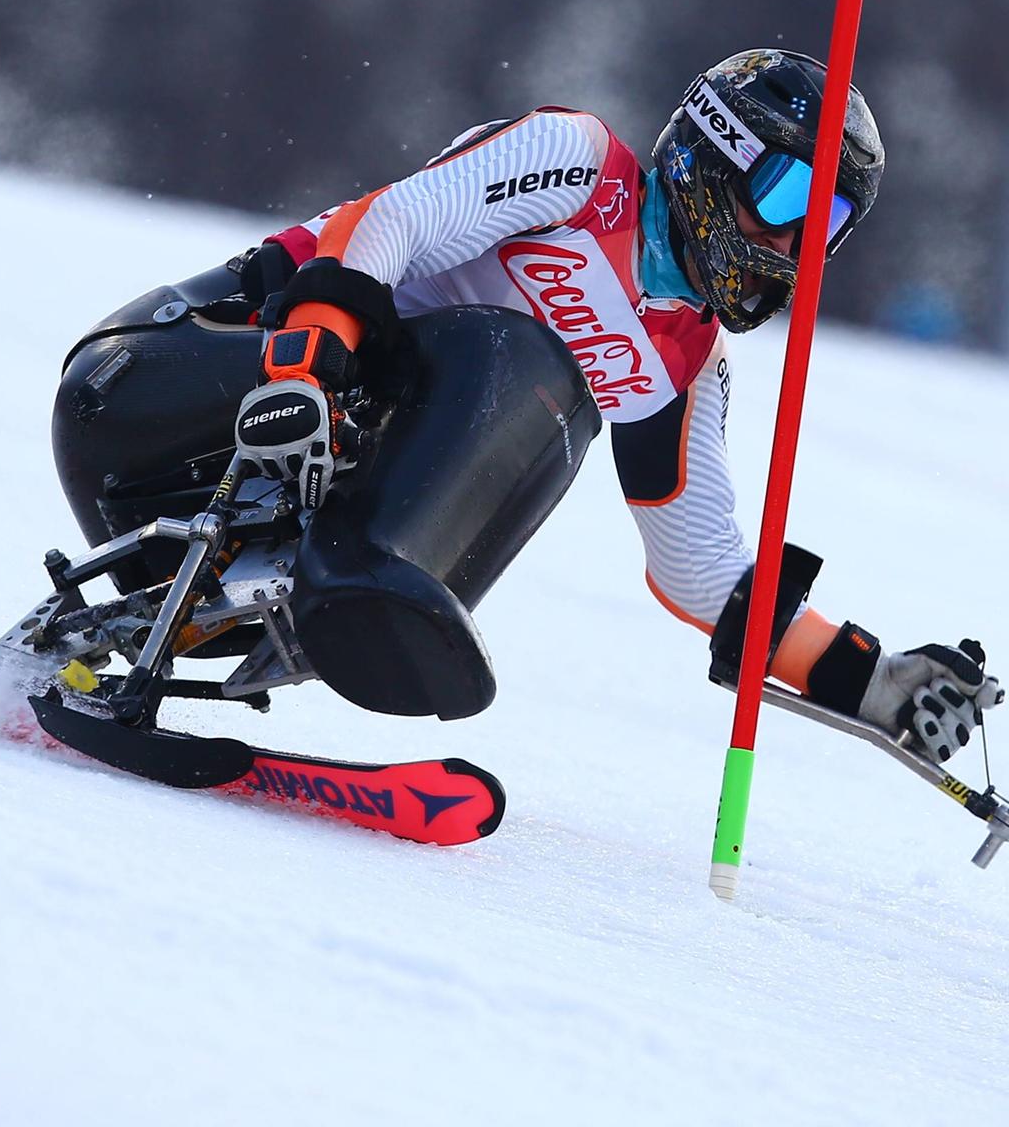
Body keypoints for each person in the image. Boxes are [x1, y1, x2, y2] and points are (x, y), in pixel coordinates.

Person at [222, 48, 1002, 759]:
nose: (797, 243)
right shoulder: (580, 166)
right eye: (792, 195)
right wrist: (308, 360)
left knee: (557, 419)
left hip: (315, 510)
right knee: (529, 362)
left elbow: (699, 567)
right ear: (718, 150)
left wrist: (870, 679)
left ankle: (359, 595)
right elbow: (391, 221)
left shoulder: (687, 361)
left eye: (827, 222)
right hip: (234, 356)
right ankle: (366, 579)